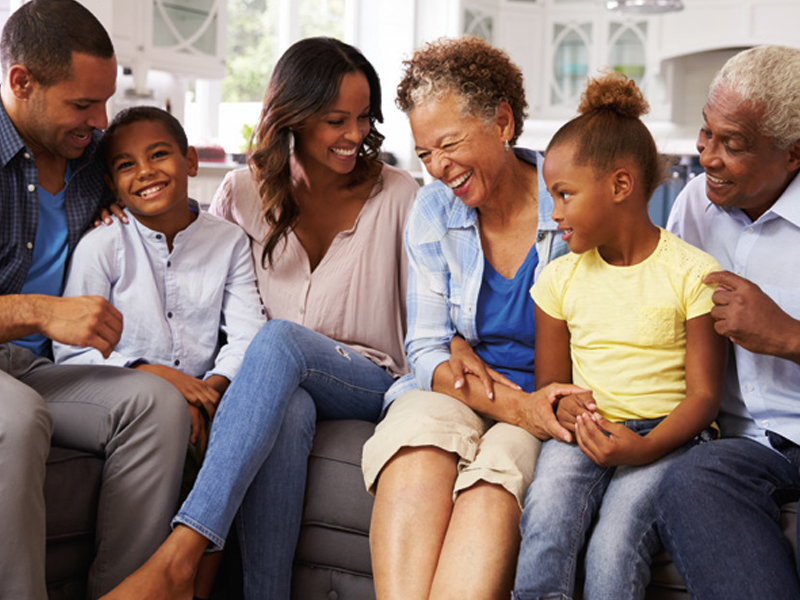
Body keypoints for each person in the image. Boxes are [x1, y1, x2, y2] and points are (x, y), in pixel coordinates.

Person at [101, 37, 418, 600]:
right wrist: (117, 210)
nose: (354, 134)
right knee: (289, 403)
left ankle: (182, 552)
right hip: (273, 383)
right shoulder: (243, 191)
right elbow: (192, 252)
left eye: (363, 117)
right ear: (293, 115)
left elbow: (422, 327)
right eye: (335, 119)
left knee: (278, 342)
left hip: (367, 377)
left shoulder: (400, 197)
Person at [362, 36, 586, 600]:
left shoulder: (569, 204)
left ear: (503, 121)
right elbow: (426, 351)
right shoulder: (434, 210)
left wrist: (530, 411)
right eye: (425, 154)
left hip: (549, 404)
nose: (438, 168)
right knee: (418, 437)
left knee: (498, 475)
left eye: (448, 144)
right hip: (465, 391)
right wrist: (490, 382)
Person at [0, 1, 191, 599]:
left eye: (104, 101)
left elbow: (168, 199)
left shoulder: (95, 159)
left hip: (39, 369)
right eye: (82, 105)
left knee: (159, 406)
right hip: (13, 379)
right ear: (21, 81)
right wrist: (38, 310)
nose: (99, 120)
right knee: (18, 419)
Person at [511, 72, 726, 600]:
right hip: (586, 429)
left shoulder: (693, 273)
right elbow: (552, 388)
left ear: (621, 185)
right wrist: (565, 412)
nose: (554, 214)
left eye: (564, 195)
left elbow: (704, 396)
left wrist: (644, 446)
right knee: (546, 521)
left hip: (667, 438)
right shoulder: (557, 279)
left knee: (614, 544)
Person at [52, 106, 266, 598]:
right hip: (119, 390)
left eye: (159, 155)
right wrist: (161, 380)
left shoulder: (228, 241)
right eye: (126, 165)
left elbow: (248, 335)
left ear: (190, 161)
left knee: (228, 430)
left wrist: (209, 393)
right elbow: (72, 353)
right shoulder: (103, 244)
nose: (145, 171)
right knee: (177, 423)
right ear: (111, 182)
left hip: (203, 393)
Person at [651, 45, 800, 598]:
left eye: (732, 144)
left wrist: (786, 334)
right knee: (694, 481)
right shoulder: (694, 204)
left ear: (793, 153)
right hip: (739, 443)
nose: (707, 155)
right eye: (706, 132)